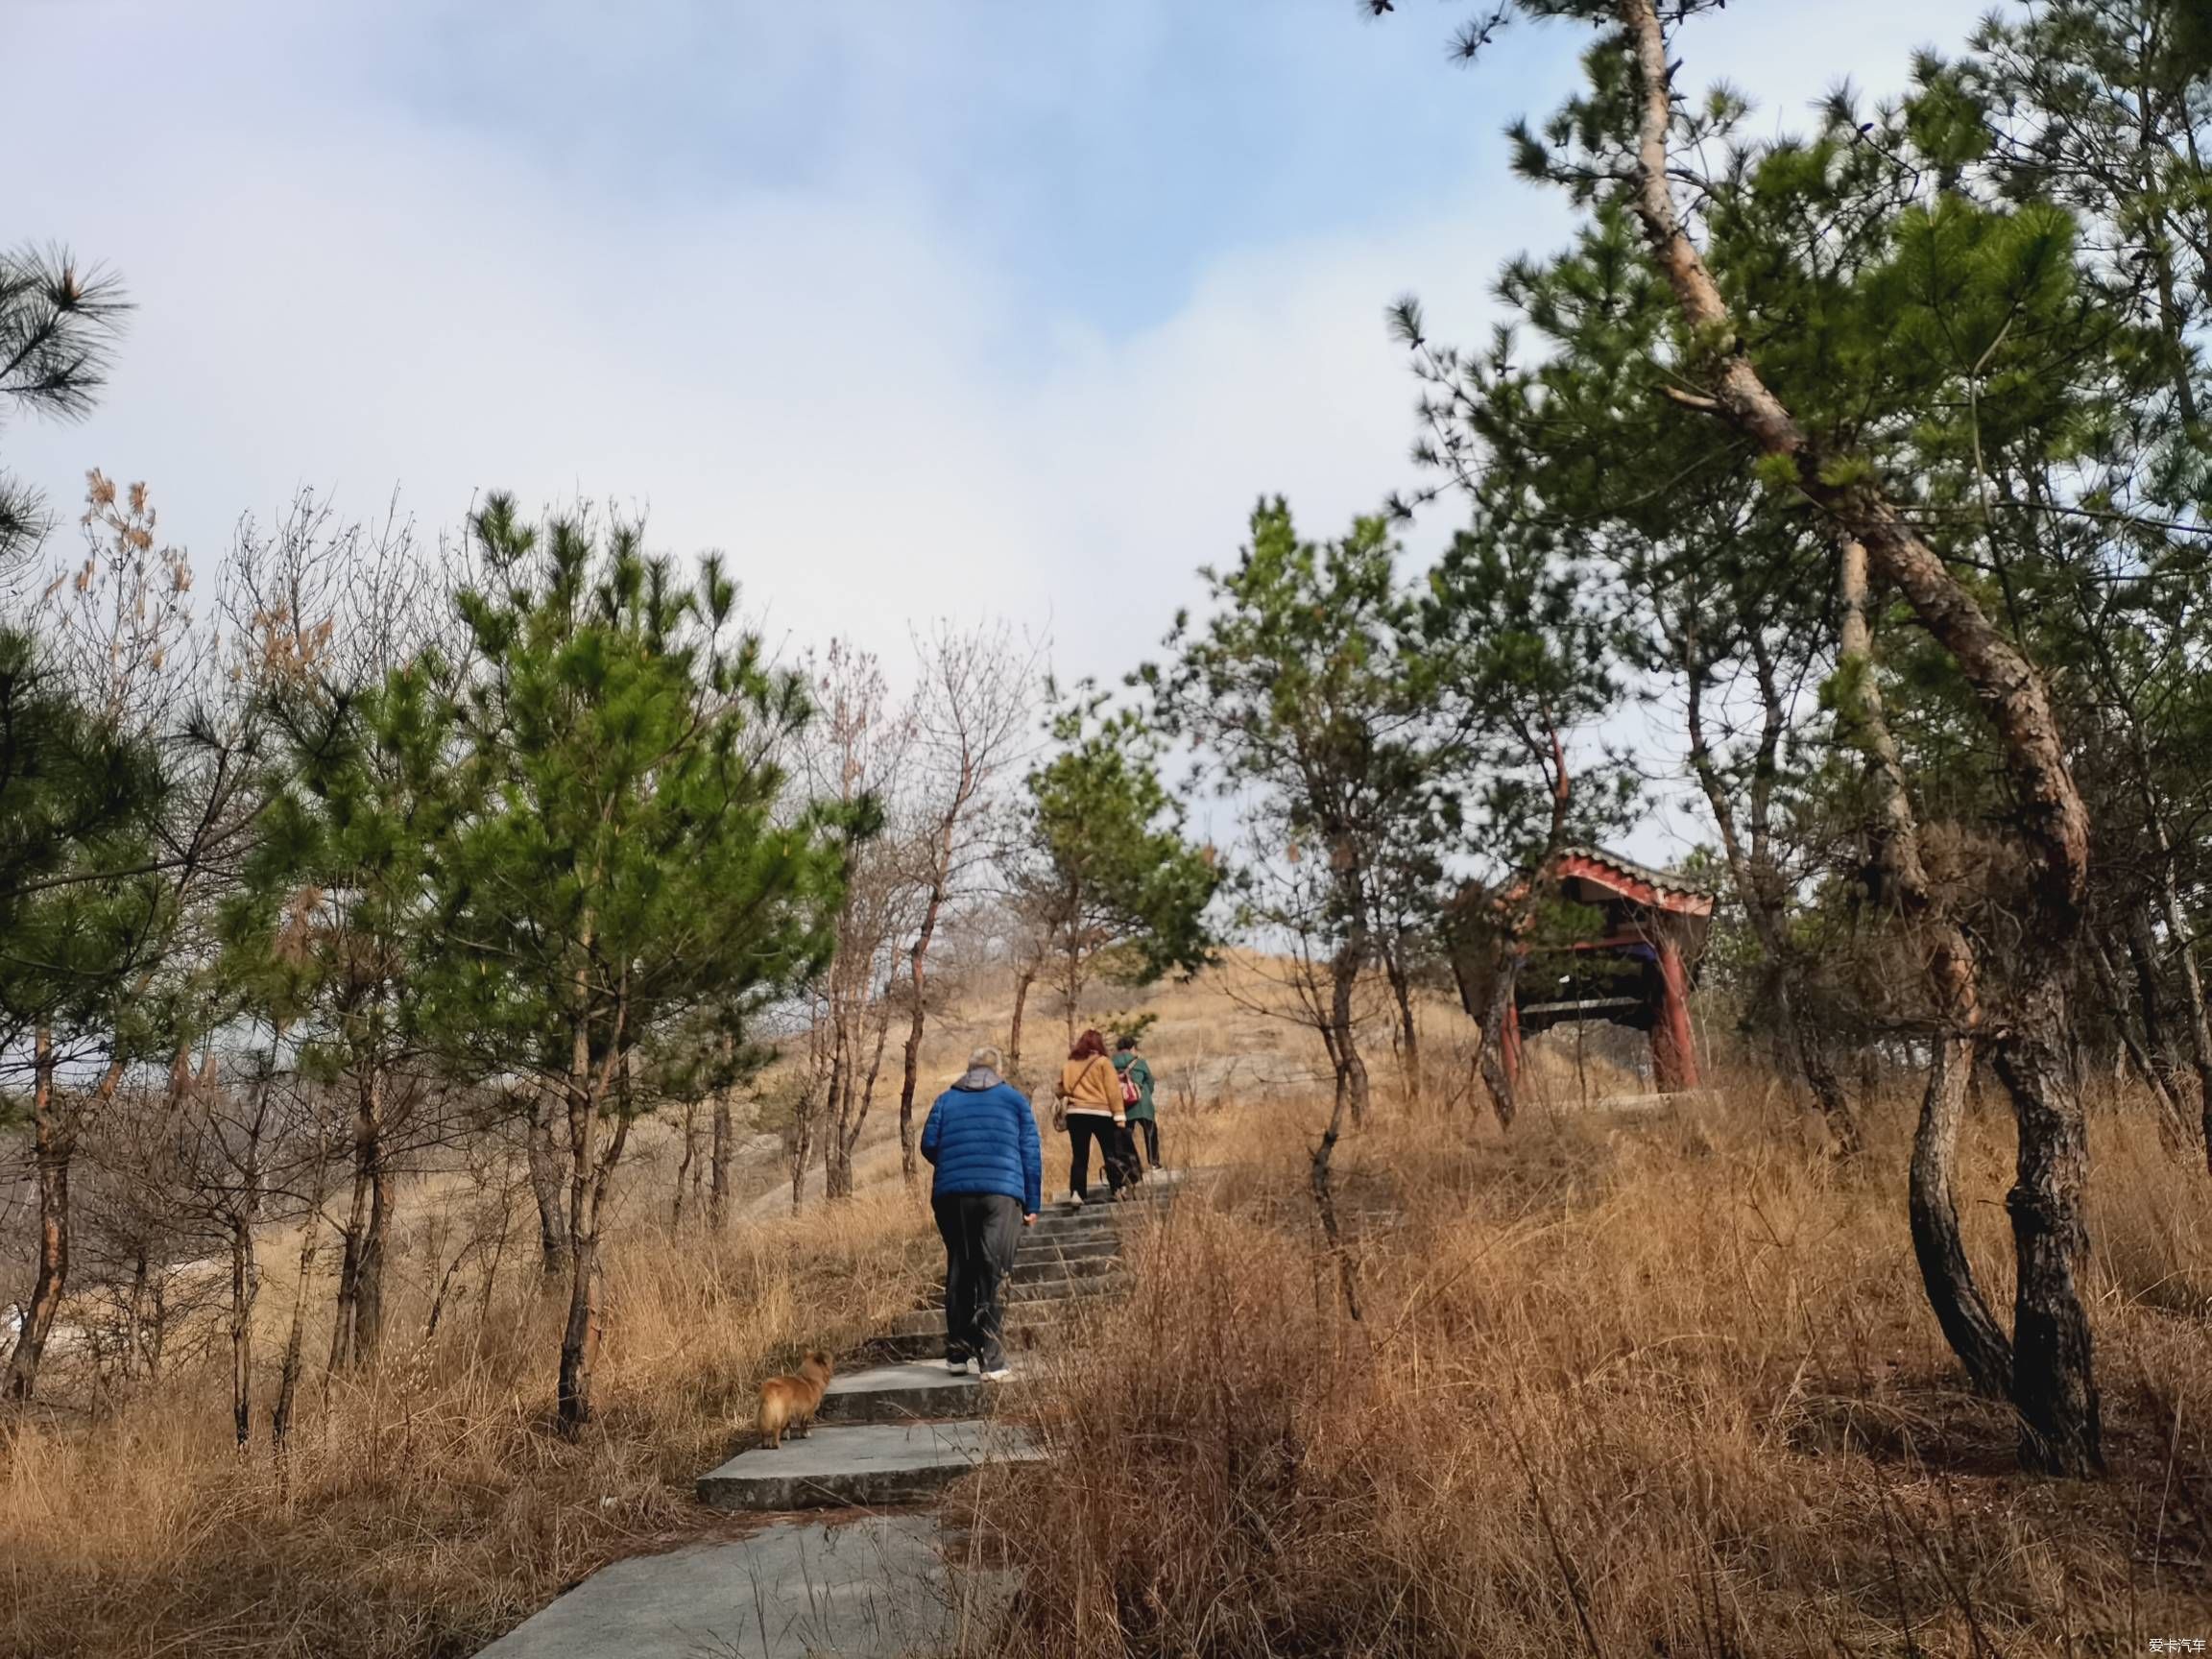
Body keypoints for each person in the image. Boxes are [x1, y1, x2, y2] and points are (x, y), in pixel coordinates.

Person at [919, 1044, 1041, 1380]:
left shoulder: (945, 1100)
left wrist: (956, 1167)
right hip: (1001, 1194)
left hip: (951, 1196)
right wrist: (1033, 1204)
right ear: (997, 1070)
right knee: (994, 1271)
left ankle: (958, 1354)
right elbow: (1030, 1153)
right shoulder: (1015, 1100)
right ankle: (992, 1359)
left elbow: (929, 1144)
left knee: (961, 1266)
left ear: (969, 1069)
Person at [1057, 1027, 1130, 1205]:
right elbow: (1113, 1091)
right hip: (1101, 1113)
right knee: (1109, 1152)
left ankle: (1077, 1193)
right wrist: (1119, 1115)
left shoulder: (1069, 1064)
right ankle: (1117, 1189)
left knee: (1080, 1155)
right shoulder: (1103, 1062)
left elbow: (1060, 1089)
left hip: (1076, 1114)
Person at [1112, 1033, 1159, 1174]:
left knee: (1126, 1137)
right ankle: (1154, 1163)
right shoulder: (1139, 1062)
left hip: (1123, 1105)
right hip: (1142, 1103)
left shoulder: (1110, 1063)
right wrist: (1145, 1094)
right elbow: (1150, 1081)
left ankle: (1131, 1166)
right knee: (1150, 1132)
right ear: (1132, 1047)